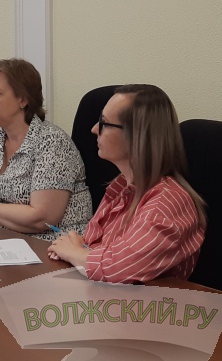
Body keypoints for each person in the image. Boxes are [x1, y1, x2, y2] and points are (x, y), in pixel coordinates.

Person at [48, 84, 206, 284]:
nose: (94, 129)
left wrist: (74, 253)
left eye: (104, 123)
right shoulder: (121, 186)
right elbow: (91, 244)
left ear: (138, 134)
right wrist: (74, 250)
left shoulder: (168, 204)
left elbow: (115, 269)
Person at [0, 59, 92, 240]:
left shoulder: (52, 141)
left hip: (55, 243)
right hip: (7, 239)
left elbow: (42, 219)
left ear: (23, 99)